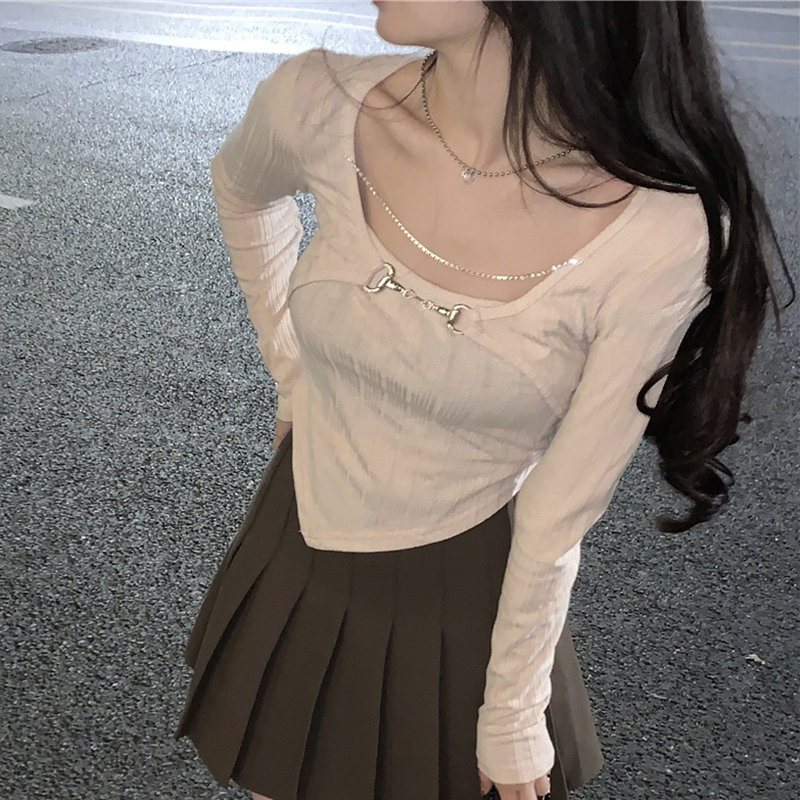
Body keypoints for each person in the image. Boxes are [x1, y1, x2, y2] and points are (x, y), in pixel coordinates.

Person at [173, 2, 794, 800]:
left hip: (463, 590)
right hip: (297, 535)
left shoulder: (662, 230)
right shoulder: (315, 99)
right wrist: (291, 368)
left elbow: (562, 506)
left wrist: (512, 709)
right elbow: (240, 188)